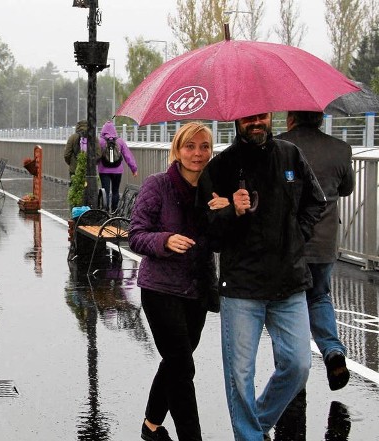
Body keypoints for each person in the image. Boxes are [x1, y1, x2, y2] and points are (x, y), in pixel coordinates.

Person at [197, 112, 327, 441]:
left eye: (262, 116)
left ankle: (256, 422)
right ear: (237, 121)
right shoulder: (221, 167)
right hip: (241, 288)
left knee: (298, 365)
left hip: (289, 283)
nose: (256, 122)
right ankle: (249, 436)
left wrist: (297, 235)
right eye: (249, 118)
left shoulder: (290, 155)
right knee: (240, 376)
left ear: (271, 116)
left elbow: (316, 201)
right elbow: (208, 234)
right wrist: (231, 211)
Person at [129, 122, 229, 441]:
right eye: (190, 146)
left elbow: (221, 241)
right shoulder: (157, 185)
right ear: (177, 149)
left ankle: (151, 426)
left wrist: (224, 214)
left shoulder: (214, 190)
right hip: (160, 288)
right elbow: (136, 235)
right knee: (182, 366)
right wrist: (165, 240)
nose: (197, 153)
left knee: (176, 363)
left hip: (197, 289)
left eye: (204, 147)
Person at [277, 111, 354, 390]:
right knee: (319, 296)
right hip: (324, 242)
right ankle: (333, 351)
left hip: (287, 242)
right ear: (320, 118)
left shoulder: (278, 145)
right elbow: (346, 188)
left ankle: (289, 374)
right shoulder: (341, 149)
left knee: (285, 303)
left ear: (291, 118)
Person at [98, 120, 138, 211]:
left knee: (106, 191)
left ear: (103, 130)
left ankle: (105, 211)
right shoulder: (120, 141)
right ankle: (115, 211)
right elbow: (128, 155)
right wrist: (134, 169)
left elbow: (95, 155)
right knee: (115, 191)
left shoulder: (100, 141)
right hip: (117, 170)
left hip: (103, 170)